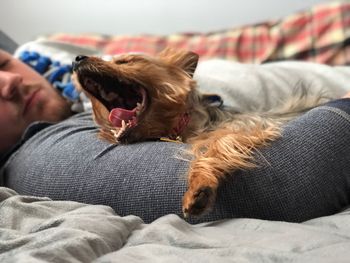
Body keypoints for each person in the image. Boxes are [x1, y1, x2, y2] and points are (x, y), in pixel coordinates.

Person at [1, 42, 350, 224]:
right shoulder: (43, 155)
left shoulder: (82, 104)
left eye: (4, 64)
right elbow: (286, 181)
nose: (10, 81)